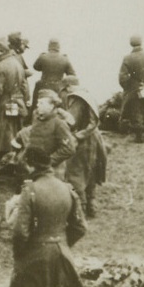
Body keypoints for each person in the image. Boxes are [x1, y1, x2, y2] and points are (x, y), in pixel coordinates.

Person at [1, 145, 94, 287]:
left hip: (36, 253)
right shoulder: (66, 188)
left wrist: (21, 254)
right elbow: (80, 226)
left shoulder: (31, 190)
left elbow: (20, 231)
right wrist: (63, 244)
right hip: (62, 251)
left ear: (32, 164)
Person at [60, 76, 106, 218]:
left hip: (82, 139)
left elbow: (72, 121)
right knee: (91, 172)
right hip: (95, 139)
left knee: (76, 173)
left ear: (68, 87)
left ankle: (81, 209)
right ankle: (92, 206)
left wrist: (61, 115)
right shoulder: (87, 95)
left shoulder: (76, 99)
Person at [0, 37, 29, 163]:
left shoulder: (1, 66)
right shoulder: (17, 63)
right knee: (13, 129)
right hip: (16, 100)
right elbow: (24, 86)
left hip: (3, 102)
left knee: (0, 132)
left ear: (1, 51)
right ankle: (13, 157)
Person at [17, 91, 75, 174]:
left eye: (41, 103)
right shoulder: (37, 116)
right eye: (38, 102)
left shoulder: (59, 124)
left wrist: (48, 161)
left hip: (51, 171)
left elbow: (69, 149)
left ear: (51, 106)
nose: (37, 105)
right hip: (33, 166)